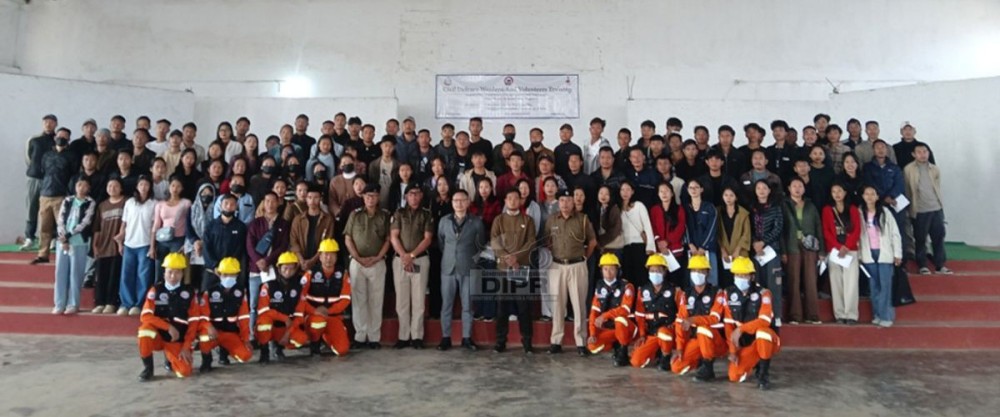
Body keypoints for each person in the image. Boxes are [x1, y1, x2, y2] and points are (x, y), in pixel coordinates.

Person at [544, 189, 597, 356]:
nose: (565, 204)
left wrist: (583, 258)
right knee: (557, 304)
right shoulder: (552, 219)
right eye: (562, 201)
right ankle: (556, 341)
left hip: (577, 265)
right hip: (557, 265)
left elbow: (593, 241)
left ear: (573, 202)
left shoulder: (582, 219)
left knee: (579, 304)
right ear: (558, 203)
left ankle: (581, 343)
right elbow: (547, 241)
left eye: (568, 200)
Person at [137, 253, 200, 381]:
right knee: (144, 331)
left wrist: (186, 347)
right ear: (164, 272)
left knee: (184, 372)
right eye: (170, 272)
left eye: (177, 273)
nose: (173, 276)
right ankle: (148, 369)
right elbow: (145, 316)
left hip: (177, 340)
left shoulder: (190, 293)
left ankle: (170, 358)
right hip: (158, 337)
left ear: (182, 274)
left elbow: (194, 323)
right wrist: (168, 327)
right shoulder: (155, 290)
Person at [437, 189, 487, 351]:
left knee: (467, 305)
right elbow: (441, 242)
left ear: (468, 202)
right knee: (447, 304)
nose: (459, 203)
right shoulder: (444, 221)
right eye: (455, 200)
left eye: (462, 200)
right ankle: (445, 337)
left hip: (468, 268)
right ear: (452, 203)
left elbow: (481, 244)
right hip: (448, 267)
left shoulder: (476, 222)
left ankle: (466, 338)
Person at [343, 184, 391, 349]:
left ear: (378, 198)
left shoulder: (384, 216)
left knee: (376, 300)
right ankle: (360, 336)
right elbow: (348, 238)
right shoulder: (355, 215)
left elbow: (388, 239)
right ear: (363, 197)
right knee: (358, 300)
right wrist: (356, 257)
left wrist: (378, 257)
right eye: (368, 196)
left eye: (374, 196)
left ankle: (374, 337)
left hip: (377, 262)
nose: (371, 199)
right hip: (357, 262)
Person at [490, 189, 537, 353]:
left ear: (521, 201)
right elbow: (494, 242)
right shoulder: (499, 220)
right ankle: (500, 341)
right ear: (505, 200)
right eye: (509, 198)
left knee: (524, 306)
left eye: (516, 198)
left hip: (521, 268)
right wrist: (507, 258)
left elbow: (531, 241)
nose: (513, 201)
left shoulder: (527, 220)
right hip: (503, 269)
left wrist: (516, 258)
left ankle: (527, 342)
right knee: (502, 306)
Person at [723, 257, 780, 390]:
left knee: (763, 332)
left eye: (744, 275)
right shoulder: (729, 294)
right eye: (737, 275)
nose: (740, 278)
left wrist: (741, 329)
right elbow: (728, 325)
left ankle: (763, 374)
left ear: (752, 277)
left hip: (766, 340)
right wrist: (732, 351)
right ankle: (754, 361)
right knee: (734, 376)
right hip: (747, 344)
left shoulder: (764, 293)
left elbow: (765, 320)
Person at [389, 185, 434, 349]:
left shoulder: (427, 214)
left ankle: (417, 337)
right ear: (406, 196)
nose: (414, 197)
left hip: (419, 260)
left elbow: (428, 239)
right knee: (401, 301)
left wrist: (412, 256)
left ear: (421, 195)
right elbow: (393, 237)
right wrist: (404, 256)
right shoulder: (399, 213)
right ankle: (403, 336)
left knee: (418, 301)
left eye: (416, 194)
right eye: (410, 194)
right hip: (400, 261)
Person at [671, 255, 728, 381]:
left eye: (701, 271)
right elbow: (680, 321)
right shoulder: (686, 294)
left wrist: (693, 320)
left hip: (716, 341)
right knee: (676, 367)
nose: (697, 274)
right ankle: (699, 362)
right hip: (696, 340)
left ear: (707, 273)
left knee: (703, 329)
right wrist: (680, 348)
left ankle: (708, 367)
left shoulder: (717, 292)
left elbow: (715, 318)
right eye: (694, 271)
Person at [198, 257, 254, 372]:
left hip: (230, 332)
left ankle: (224, 352)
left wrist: (246, 339)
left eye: (232, 275)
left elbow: (244, 318)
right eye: (225, 274)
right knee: (204, 336)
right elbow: (202, 315)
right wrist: (209, 327)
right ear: (219, 274)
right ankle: (206, 361)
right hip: (212, 331)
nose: (229, 278)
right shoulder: (209, 292)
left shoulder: (240, 293)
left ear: (237, 275)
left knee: (245, 356)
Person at [246, 192, 291, 336]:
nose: (270, 204)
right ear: (263, 204)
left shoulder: (283, 224)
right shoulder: (255, 223)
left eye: (273, 201)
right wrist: (258, 260)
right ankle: (253, 335)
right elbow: (249, 245)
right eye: (267, 201)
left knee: (272, 304)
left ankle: (272, 337)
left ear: (278, 203)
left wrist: (267, 260)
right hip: (255, 269)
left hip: (273, 269)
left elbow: (283, 246)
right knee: (253, 304)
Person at [782, 178, 825, 325]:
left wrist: (821, 250)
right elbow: (781, 230)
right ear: (789, 188)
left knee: (810, 280)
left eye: (800, 186)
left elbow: (818, 227)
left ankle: (812, 315)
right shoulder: (784, 205)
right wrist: (783, 251)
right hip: (792, 245)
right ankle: (795, 315)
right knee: (793, 281)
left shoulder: (810, 206)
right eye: (794, 186)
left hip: (810, 246)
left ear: (804, 189)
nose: (797, 189)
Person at [858, 185, 902, 328]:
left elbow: (895, 233)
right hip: (868, 254)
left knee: (885, 286)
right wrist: (859, 254)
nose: (870, 196)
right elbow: (858, 236)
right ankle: (877, 314)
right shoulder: (859, 213)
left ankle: (886, 316)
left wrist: (897, 254)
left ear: (877, 197)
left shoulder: (885, 212)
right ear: (863, 196)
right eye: (867, 194)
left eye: (873, 194)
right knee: (874, 286)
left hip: (885, 253)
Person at [904, 143, 951, 275]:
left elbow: (936, 187)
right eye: (919, 152)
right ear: (913, 154)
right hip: (919, 210)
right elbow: (907, 190)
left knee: (938, 237)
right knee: (920, 239)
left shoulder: (934, 169)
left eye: (925, 151)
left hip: (936, 208)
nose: (922, 154)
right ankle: (922, 265)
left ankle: (940, 265)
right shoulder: (908, 169)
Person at [629, 254, 682, 370]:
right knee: (636, 361)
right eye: (652, 270)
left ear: (664, 272)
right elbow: (640, 315)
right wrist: (642, 335)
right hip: (652, 334)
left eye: (658, 270)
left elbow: (681, 316)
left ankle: (666, 356)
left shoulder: (675, 291)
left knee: (663, 332)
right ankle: (656, 352)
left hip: (669, 333)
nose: (655, 273)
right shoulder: (642, 291)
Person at [256, 251, 309, 362]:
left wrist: (288, 333)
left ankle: (279, 348)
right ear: (279, 269)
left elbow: (299, 315)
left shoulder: (299, 288)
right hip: (272, 326)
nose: (288, 272)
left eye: (291, 268)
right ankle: (264, 351)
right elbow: (264, 311)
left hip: (287, 327)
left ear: (295, 269)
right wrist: (284, 318)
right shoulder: (268, 286)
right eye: (285, 268)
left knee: (302, 339)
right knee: (263, 323)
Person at [52, 178, 95, 315]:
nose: (81, 188)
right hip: (62, 242)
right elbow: (61, 219)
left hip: (79, 242)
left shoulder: (90, 202)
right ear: (75, 186)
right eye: (79, 185)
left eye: (85, 186)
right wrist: (63, 237)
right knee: (60, 272)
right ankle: (59, 304)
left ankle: (73, 304)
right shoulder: (68, 200)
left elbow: (85, 222)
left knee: (76, 274)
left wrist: (69, 236)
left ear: (89, 188)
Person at [302, 239, 353, 356]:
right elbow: (300, 299)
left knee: (342, 350)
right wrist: (314, 311)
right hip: (314, 316)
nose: (328, 258)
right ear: (319, 256)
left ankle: (326, 338)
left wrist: (329, 311)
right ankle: (315, 345)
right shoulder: (310, 273)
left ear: (336, 256)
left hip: (333, 317)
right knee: (317, 323)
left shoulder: (343, 274)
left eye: (332, 254)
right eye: (325, 254)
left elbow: (346, 299)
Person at [863, 140, 911, 262]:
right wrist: (884, 198)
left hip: (894, 204)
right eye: (877, 147)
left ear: (887, 150)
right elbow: (869, 183)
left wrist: (891, 196)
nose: (880, 150)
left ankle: (901, 261)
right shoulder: (868, 167)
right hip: (876, 204)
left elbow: (900, 184)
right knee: (879, 232)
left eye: (883, 147)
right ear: (873, 150)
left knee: (898, 232)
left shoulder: (894, 167)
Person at [586, 253, 636, 367]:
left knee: (619, 319)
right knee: (592, 346)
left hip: (627, 328)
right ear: (601, 271)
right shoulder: (599, 286)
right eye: (605, 269)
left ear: (618, 270)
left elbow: (625, 309)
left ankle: (623, 352)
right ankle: (615, 347)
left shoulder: (627, 286)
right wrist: (592, 333)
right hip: (610, 328)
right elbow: (594, 311)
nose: (608, 273)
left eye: (612, 269)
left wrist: (605, 316)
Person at [823, 182, 862, 324]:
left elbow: (857, 230)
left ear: (845, 193)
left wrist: (847, 246)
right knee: (836, 282)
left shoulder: (852, 209)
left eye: (839, 191)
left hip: (850, 250)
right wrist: (838, 246)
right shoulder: (827, 210)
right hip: (834, 251)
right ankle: (839, 314)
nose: (837, 194)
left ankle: (851, 314)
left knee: (851, 283)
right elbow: (826, 231)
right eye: (834, 191)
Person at [33, 132, 74, 264]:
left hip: (61, 195)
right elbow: (42, 171)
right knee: (44, 227)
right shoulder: (47, 155)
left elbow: (73, 175)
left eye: (64, 137)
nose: (61, 139)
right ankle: (43, 254)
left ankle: (65, 254)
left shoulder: (71, 156)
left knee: (62, 228)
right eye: (59, 135)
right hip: (45, 195)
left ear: (68, 139)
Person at [118, 176, 156, 316]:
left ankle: (139, 304)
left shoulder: (154, 204)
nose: (144, 187)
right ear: (137, 186)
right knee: (126, 275)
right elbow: (124, 224)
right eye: (141, 184)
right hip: (129, 243)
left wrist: (152, 247)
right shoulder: (129, 202)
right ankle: (126, 303)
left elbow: (154, 227)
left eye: (146, 184)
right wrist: (120, 242)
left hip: (145, 244)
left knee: (143, 276)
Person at [749, 180, 784, 328]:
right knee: (757, 283)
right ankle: (759, 315)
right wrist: (755, 243)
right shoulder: (751, 208)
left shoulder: (776, 208)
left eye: (764, 188)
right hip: (755, 251)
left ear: (769, 191)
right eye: (758, 188)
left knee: (773, 285)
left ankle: (775, 316)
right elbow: (747, 228)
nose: (761, 190)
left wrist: (763, 242)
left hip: (771, 251)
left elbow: (778, 228)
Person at [23, 115, 58, 251]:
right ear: (43, 124)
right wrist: (35, 170)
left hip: (52, 180)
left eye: (51, 122)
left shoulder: (58, 140)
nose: (48, 124)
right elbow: (28, 158)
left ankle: (53, 238)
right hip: (34, 178)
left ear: (56, 124)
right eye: (46, 122)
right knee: (31, 206)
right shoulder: (34, 140)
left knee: (51, 209)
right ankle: (29, 237)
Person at [91, 179, 126, 314]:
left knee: (114, 276)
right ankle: (100, 302)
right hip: (103, 245)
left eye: (116, 186)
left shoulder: (126, 202)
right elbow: (97, 228)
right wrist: (95, 244)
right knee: (101, 276)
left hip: (118, 246)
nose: (112, 188)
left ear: (121, 188)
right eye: (109, 185)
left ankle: (111, 303)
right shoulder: (102, 206)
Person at [202, 194, 248, 291]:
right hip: (212, 270)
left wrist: (228, 266)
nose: (228, 206)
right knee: (206, 297)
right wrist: (215, 266)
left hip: (232, 271)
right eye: (226, 203)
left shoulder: (241, 227)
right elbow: (206, 247)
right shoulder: (211, 225)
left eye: (232, 204)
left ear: (236, 207)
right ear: (220, 205)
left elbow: (240, 248)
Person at [151, 177, 192, 284]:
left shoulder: (186, 203)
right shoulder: (160, 204)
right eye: (173, 185)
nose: (175, 188)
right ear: (169, 187)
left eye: (178, 186)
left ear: (182, 188)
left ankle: (176, 290)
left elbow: (190, 224)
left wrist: (187, 242)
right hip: (162, 240)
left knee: (176, 267)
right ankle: (158, 290)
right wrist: (152, 246)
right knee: (160, 267)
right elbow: (156, 225)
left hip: (178, 240)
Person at [650, 182, 687, 287]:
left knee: (676, 281)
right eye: (661, 191)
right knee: (661, 281)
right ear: (658, 194)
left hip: (675, 251)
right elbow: (653, 227)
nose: (664, 194)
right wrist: (659, 242)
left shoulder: (679, 209)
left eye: (666, 191)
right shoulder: (654, 210)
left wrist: (667, 242)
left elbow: (680, 228)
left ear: (672, 193)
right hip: (659, 251)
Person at [619, 181, 656, 288]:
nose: (625, 192)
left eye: (628, 189)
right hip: (625, 248)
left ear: (632, 192)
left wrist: (650, 247)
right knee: (628, 280)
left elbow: (647, 226)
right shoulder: (617, 209)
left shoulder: (639, 205)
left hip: (639, 246)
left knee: (641, 278)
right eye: (622, 190)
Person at [289, 185, 335, 272]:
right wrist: (302, 260)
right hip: (300, 263)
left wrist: (312, 261)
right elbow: (293, 241)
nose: (312, 201)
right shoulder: (298, 219)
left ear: (320, 199)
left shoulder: (328, 219)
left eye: (316, 197)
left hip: (320, 262)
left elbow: (328, 242)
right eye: (309, 197)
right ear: (306, 199)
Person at [684, 178, 719, 286]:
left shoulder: (709, 207)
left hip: (708, 249)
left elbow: (712, 228)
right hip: (692, 249)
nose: (693, 190)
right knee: (694, 279)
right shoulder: (685, 208)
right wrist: (690, 244)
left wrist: (703, 246)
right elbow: (684, 227)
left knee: (711, 278)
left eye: (696, 187)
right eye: (691, 188)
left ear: (701, 190)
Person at [717, 186, 750, 290]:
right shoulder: (717, 212)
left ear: (736, 197)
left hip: (739, 252)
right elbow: (716, 233)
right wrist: (722, 250)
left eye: (731, 195)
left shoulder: (743, 213)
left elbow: (746, 233)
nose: (728, 198)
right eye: (726, 195)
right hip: (724, 252)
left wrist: (738, 250)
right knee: (725, 280)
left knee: (740, 280)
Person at [185, 183, 217, 290]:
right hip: (193, 246)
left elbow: (215, 228)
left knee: (206, 276)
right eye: (203, 193)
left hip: (209, 245)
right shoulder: (192, 208)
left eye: (209, 193)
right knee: (191, 275)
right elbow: (188, 227)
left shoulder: (216, 210)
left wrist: (204, 242)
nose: (206, 195)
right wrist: (195, 241)